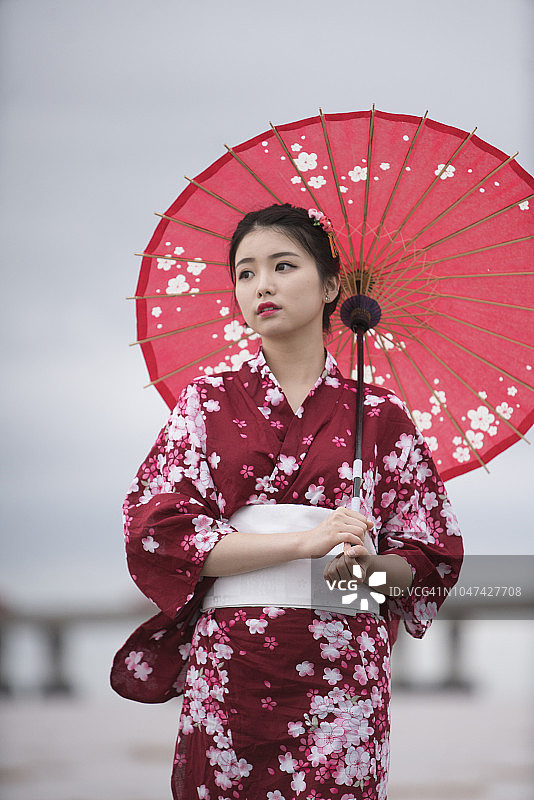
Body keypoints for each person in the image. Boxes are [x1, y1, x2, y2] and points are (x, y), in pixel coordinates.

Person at [111, 203, 464, 799]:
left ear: (331, 286)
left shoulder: (380, 418)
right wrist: (306, 541)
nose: (262, 286)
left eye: (282, 265)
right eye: (245, 273)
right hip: (231, 659)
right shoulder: (207, 402)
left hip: (342, 669)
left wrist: (367, 572)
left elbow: (433, 560)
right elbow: (160, 535)